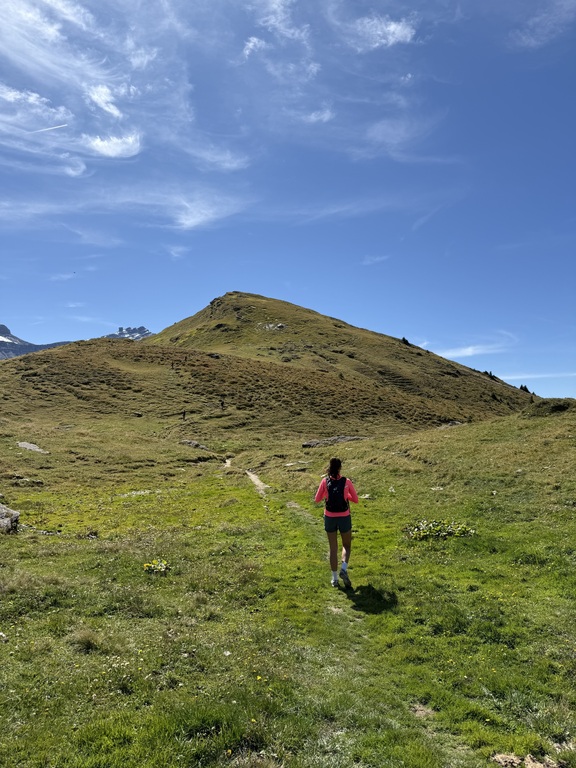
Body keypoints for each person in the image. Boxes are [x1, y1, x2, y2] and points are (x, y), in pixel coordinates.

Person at [314, 457, 358, 588]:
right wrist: (346, 496)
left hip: (329, 516)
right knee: (347, 545)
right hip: (344, 516)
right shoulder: (346, 481)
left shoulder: (325, 481)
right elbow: (355, 499)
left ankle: (334, 579)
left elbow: (317, 499)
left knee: (333, 548)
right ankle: (343, 569)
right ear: (340, 468)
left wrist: (326, 495)